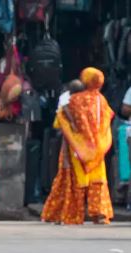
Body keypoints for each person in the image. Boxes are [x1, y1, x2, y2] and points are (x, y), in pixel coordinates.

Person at [41, 67, 114, 225]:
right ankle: (100, 214)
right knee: (98, 182)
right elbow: (107, 121)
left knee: (73, 182)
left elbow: (59, 122)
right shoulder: (102, 101)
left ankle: (71, 214)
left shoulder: (74, 101)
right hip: (97, 150)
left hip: (76, 149)